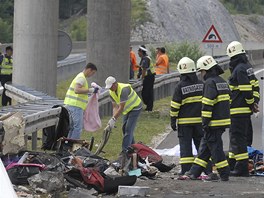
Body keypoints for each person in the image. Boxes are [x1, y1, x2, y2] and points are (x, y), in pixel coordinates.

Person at [186, 55, 230, 181]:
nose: (201, 74)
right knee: (204, 148)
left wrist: (204, 122)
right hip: (222, 121)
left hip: (213, 122)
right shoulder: (222, 81)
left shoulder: (210, 83)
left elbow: (207, 104)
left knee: (216, 149)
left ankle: (224, 173)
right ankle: (194, 172)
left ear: (206, 70)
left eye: (201, 71)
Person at [226, 41, 260, 176]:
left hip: (237, 110)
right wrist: (255, 102)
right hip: (244, 111)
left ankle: (241, 168)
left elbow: (246, 89)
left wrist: (251, 103)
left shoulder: (239, 69)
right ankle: (233, 164)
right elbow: (255, 86)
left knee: (237, 138)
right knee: (239, 138)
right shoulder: (247, 67)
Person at [170, 57, 204, 175]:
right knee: (202, 146)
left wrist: (173, 120)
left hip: (185, 123)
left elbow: (175, 106)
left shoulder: (180, 86)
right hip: (200, 122)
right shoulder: (202, 84)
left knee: (186, 147)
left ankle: (186, 170)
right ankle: (204, 169)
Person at [105, 76, 142, 152]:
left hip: (135, 107)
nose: (110, 89)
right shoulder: (111, 92)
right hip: (127, 109)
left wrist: (114, 119)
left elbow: (121, 107)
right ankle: (133, 147)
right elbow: (115, 107)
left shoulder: (123, 89)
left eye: (111, 87)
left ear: (115, 84)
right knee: (124, 128)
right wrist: (113, 119)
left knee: (128, 129)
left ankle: (125, 151)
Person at [64, 62, 98, 139]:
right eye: (92, 73)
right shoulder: (81, 78)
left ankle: (68, 145)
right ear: (89, 69)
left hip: (72, 104)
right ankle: (73, 146)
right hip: (75, 106)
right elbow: (77, 90)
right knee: (77, 128)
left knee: (72, 127)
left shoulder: (80, 77)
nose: (92, 75)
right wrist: (90, 90)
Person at [137, 45, 155, 111]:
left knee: (146, 93)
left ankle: (149, 107)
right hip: (149, 77)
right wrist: (139, 74)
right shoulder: (144, 58)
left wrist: (142, 78)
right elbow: (142, 68)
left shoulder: (145, 59)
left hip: (149, 77)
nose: (138, 53)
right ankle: (149, 107)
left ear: (141, 51)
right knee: (147, 92)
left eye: (138, 51)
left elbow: (144, 69)